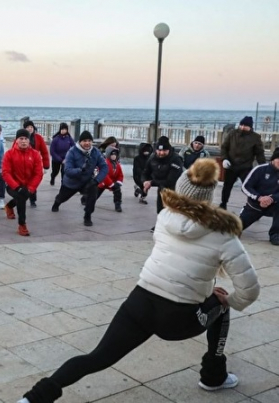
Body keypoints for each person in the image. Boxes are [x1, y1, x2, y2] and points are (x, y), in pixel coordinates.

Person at [19, 158, 260, 403]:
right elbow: (249, 290)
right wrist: (228, 299)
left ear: (180, 190)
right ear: (208, 196)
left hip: (140, 303)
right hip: (178, 318)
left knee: (97, 357)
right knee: (221, 305)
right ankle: (213, 376)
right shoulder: (224, 235)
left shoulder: (165, 218)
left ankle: (32, 399)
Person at [51, 131, 108, 227]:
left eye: (89, 141)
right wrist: (80, 170)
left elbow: (104, 167)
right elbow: (67, 170)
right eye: (85, 141)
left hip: (87, 181)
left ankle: (87, 216)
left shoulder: (95, 152)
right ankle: (57, 203)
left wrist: (96, 180)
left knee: (93, 190)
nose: (87, 143)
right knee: (62, 198)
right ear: (80, 142)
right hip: (71, 182)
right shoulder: (72, 152)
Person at [2, 129, 43, 236]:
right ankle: (22, 224)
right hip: (12, 185)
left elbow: (38, 173)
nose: (23, 141)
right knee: (21, 197)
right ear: (16, 140)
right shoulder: (9, 154)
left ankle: (9, 206)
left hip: (28, 185)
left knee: (23, 196)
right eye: (21, 139)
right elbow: (6, 172)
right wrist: (16, 187)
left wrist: (30, 188)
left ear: (29, 141)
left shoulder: (35, 154)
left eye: (26, 139)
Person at [220, 116, 265, 209]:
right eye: (241, 125)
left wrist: (263, 167)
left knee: (250, 187)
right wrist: (224, 159)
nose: (243, 127)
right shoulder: (232, 134)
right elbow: (224, 147)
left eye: (245, 125)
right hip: (231, 166)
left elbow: (259, 153)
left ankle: (254, 206)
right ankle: (223, 203)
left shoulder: (255, 137)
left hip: (245, 167)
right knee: (227, 186)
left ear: (250, 127)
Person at [142, 136, 184, 229]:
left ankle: (174, 227)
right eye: (159, 150)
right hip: (161, 186)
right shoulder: (152, 157)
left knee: (173, 209)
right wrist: (145, 181)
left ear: (169, 150)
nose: (161, 153)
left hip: (176, 187)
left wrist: (151, 183)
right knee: (161, 208)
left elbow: (171, 181)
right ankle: (160, 225)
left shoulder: (176, 159)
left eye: (164, 151)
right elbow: (145, 172)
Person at [239, 147, 279, 245]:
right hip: (255, 206)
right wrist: (259, 198)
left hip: (274, 205)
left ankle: (275, 235)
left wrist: (272, 198)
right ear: (274, 159)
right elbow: (245, 187)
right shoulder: (260, 169)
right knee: (233, 229)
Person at [23, 120, 50, 208]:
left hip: (34, 163)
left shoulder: (38, 138)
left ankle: (33, 200)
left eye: (31, 127)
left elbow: (44, 152)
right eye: (28, 127)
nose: (30, 129)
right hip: (22, 163)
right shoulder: (20, 137)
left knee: (33, 182)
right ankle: (21, 197)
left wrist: (46, 165)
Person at [97, 146, 124, 212]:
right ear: (109, 155)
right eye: (112, 154)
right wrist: (111, 184)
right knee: (95, 194)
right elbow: (104, 175)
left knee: (118, 191)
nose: (114, 156)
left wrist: (118, 182)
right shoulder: (104, 163)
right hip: (103, 182)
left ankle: (118, 205)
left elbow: (120, 175)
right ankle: (85, 199)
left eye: (115, 154)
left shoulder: (117, 164)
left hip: (113, 183)